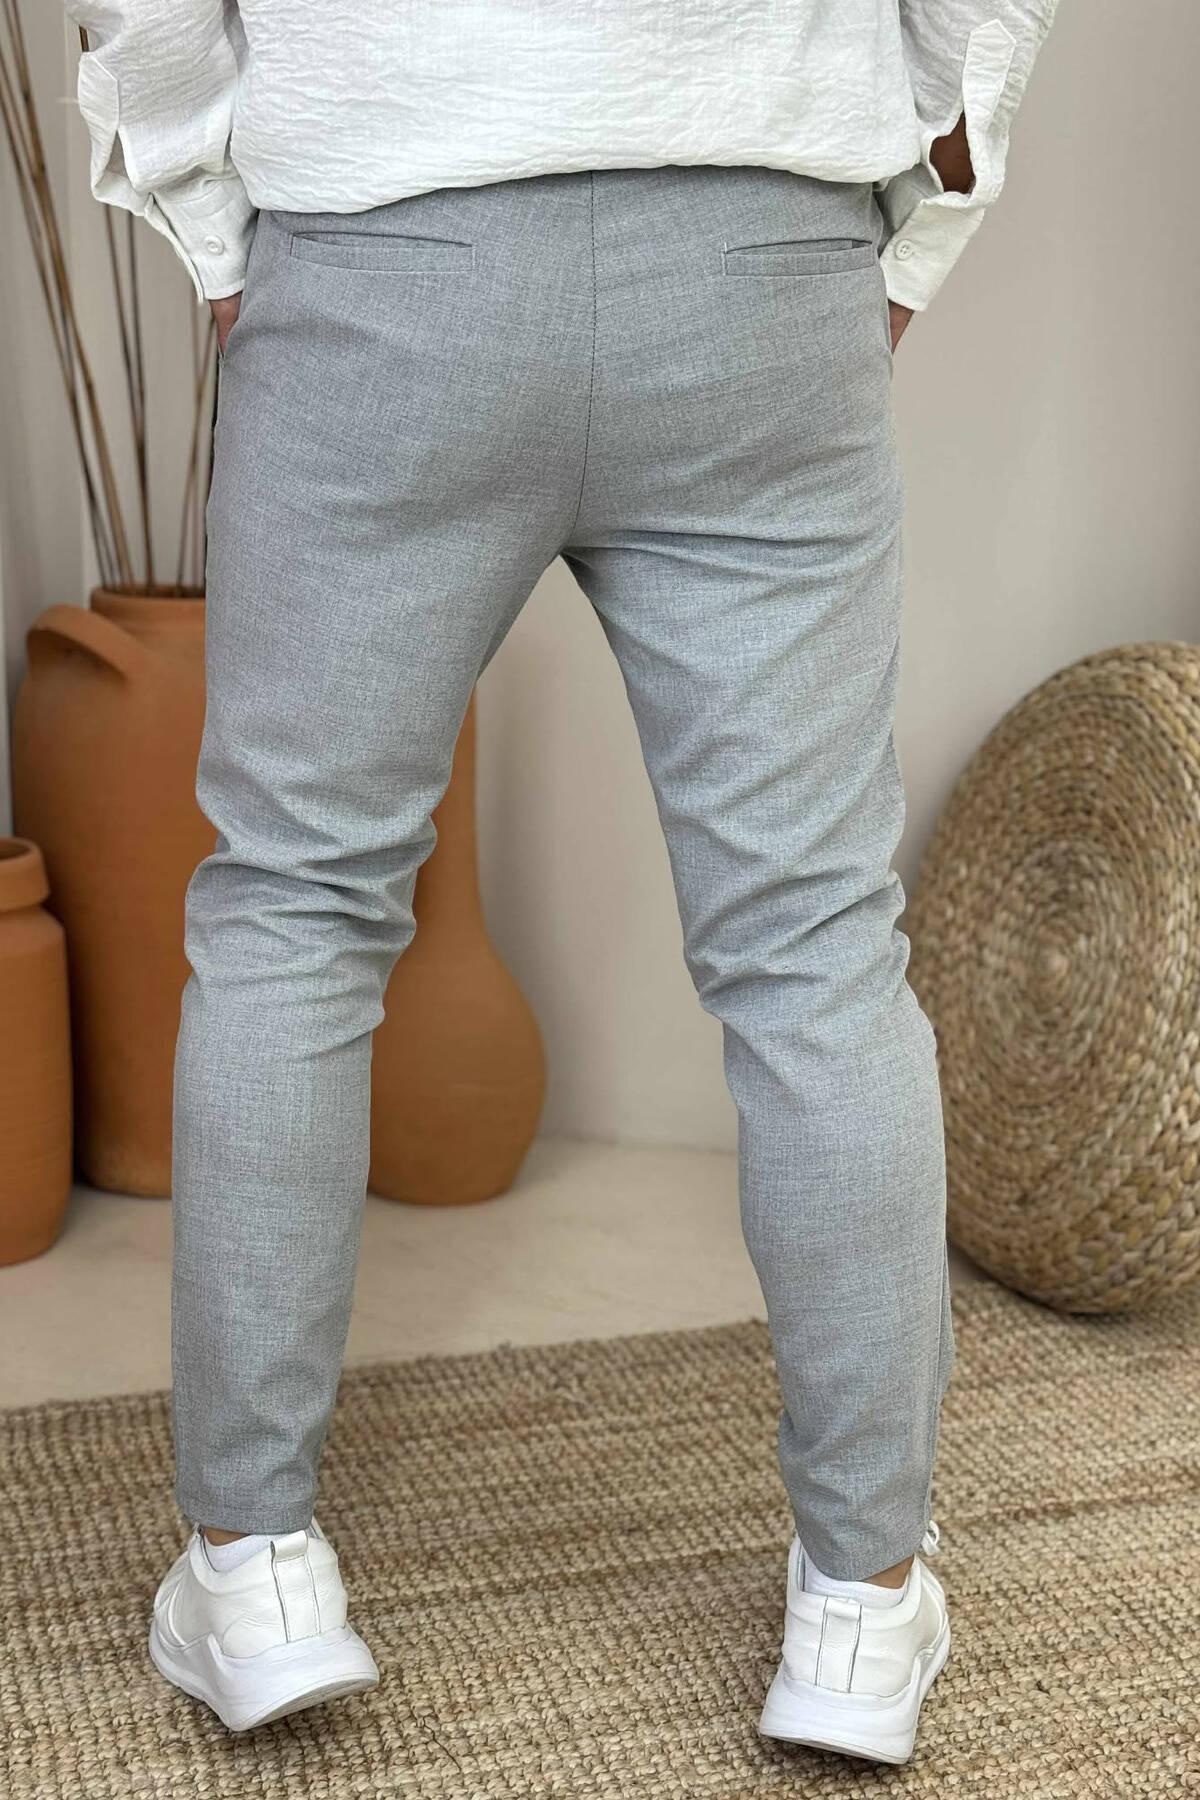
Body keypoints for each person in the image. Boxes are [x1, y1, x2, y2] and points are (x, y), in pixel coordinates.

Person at [65, 0, 1057, 1762]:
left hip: (389, 256)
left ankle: (253, 1569)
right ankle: (860, 1601)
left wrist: (218, 230)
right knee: (816, 950)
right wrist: (918, 216)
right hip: (760, 256)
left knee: (297, 916)